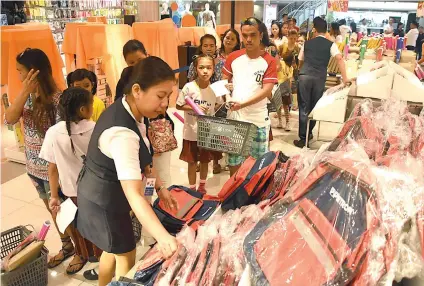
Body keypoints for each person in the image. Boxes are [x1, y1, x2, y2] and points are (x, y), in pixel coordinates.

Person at [76, 57, 178, 286]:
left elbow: (144, 161)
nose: (165, 104)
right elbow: (134, 194)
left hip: (103, 192)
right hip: (104, 200)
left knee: (111, 250)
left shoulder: (131, 110)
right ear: (137, 90)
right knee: (125, 254)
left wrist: (160, 187)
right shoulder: (122, 133)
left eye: (168, 96)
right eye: (160, 96)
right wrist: (163, 237)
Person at [4, 48, 75, 269]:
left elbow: (62, 138)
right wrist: (24, 92)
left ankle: (82, 251)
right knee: (51, 209)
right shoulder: (25, 97)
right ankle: (67, 246)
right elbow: (9, 119)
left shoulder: (58, 98)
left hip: (56, 170)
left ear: (34, 73)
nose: (18, 76)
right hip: (34, 166)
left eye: (20, 71)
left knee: (68, 211)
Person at [39, 87, 102, 275]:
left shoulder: (53, 132)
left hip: (70, 191)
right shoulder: (96, 129)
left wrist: (54, 196)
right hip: (96, 189)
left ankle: (82, 254)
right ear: (83, 110)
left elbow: (52, 168)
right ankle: (102, 256)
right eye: (91, 104)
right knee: (98, 224)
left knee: (76, 226)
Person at [222, 17, 278, 176]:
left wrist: (242, 104)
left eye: (252, 35)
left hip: (258, 121)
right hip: (235, 120)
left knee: (258, 166)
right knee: (234, 164)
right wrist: (227, 98)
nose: (248, 39)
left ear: (261, 35)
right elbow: (223, 81)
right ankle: (233, 196)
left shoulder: (269, 61)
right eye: (245, 35)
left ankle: (253, 197)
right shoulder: (233, 58)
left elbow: (266, 91)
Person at [295, 17, 351, 148]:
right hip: (319, 78)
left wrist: (301, 69)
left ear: (314, 28)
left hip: (304, 76)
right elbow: (339, 59)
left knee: (304, 107)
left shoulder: (307, 43)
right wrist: (345, 78)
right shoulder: (331, 44)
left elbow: (300, 60)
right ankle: (309, 133)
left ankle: (303, 138)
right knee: (315, 107)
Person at [176, 54, 217, 193]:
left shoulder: (215, 90)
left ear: (213, 69)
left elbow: (218, 106)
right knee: (192, 162)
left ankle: (202, 186)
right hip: (191, 132)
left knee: (205, 161)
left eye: (209, 68)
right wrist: (195, 108)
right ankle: (192, 188)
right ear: (195, 68)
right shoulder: (189, 87)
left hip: (207, 132)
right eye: (201, 67)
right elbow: (178, 105)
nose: (205, 71)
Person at [188, 34, 224, 174]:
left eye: (211, 45)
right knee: (199, 133)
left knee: (216, 134)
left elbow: (221, 82)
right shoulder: (194, 63)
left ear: (216, 47)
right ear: (201, 47)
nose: (209, 48)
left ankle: (216, 162)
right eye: (205, 45)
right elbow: (190, 81)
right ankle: (197, 160)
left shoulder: (220, 63)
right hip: (200, 102)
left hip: (216, 102)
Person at [278, 29, 300, 131]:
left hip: (291, 71)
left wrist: (295, 66)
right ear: (288, 37)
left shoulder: (297, 47)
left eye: (295, 38)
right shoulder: (283, 46)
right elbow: (277, 57)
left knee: (291, 92)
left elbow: (299, 60)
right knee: (279, 101)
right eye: (291, 38)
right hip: (281, 72)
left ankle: (289, 113)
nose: (293, 40)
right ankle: (280, 119)